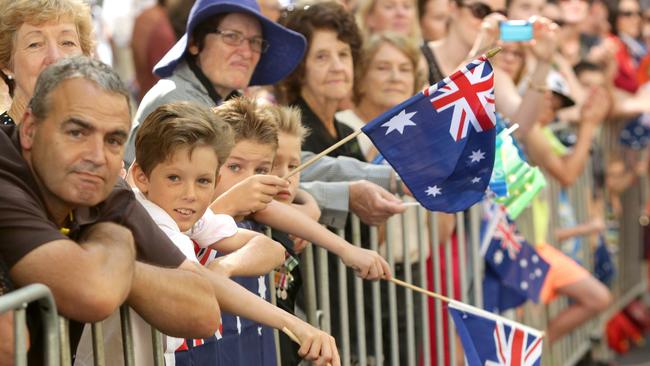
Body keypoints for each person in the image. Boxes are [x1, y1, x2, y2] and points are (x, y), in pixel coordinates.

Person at [0, 55, 227, 363]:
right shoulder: (7, 176)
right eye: (77, 132)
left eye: (113, 140)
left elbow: (202, 312)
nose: (96, 155)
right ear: (29, 129)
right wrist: (116, 241)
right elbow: (93, 292)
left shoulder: (101, 189)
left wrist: (113, 260)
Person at [76, 101, 338, 366]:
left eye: (203, 181)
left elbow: (271, 249)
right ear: (141, 177)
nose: (190, 195)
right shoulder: (148, 217)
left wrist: (223, 266)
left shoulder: (183, 211)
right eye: (174, 178)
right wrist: (294, 324)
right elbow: (200, 282)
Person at [125, 0, 307, 165]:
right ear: (195, 43)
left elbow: (278, 159)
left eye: (255, 41)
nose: (246, 52)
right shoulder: (177, 102)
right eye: (232, 36)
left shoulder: (226, 99)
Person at [0, 0, 93, 125]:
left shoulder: (100, 135)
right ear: (6, 63)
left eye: (67, 42)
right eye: (35, 44)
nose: (55, 58)